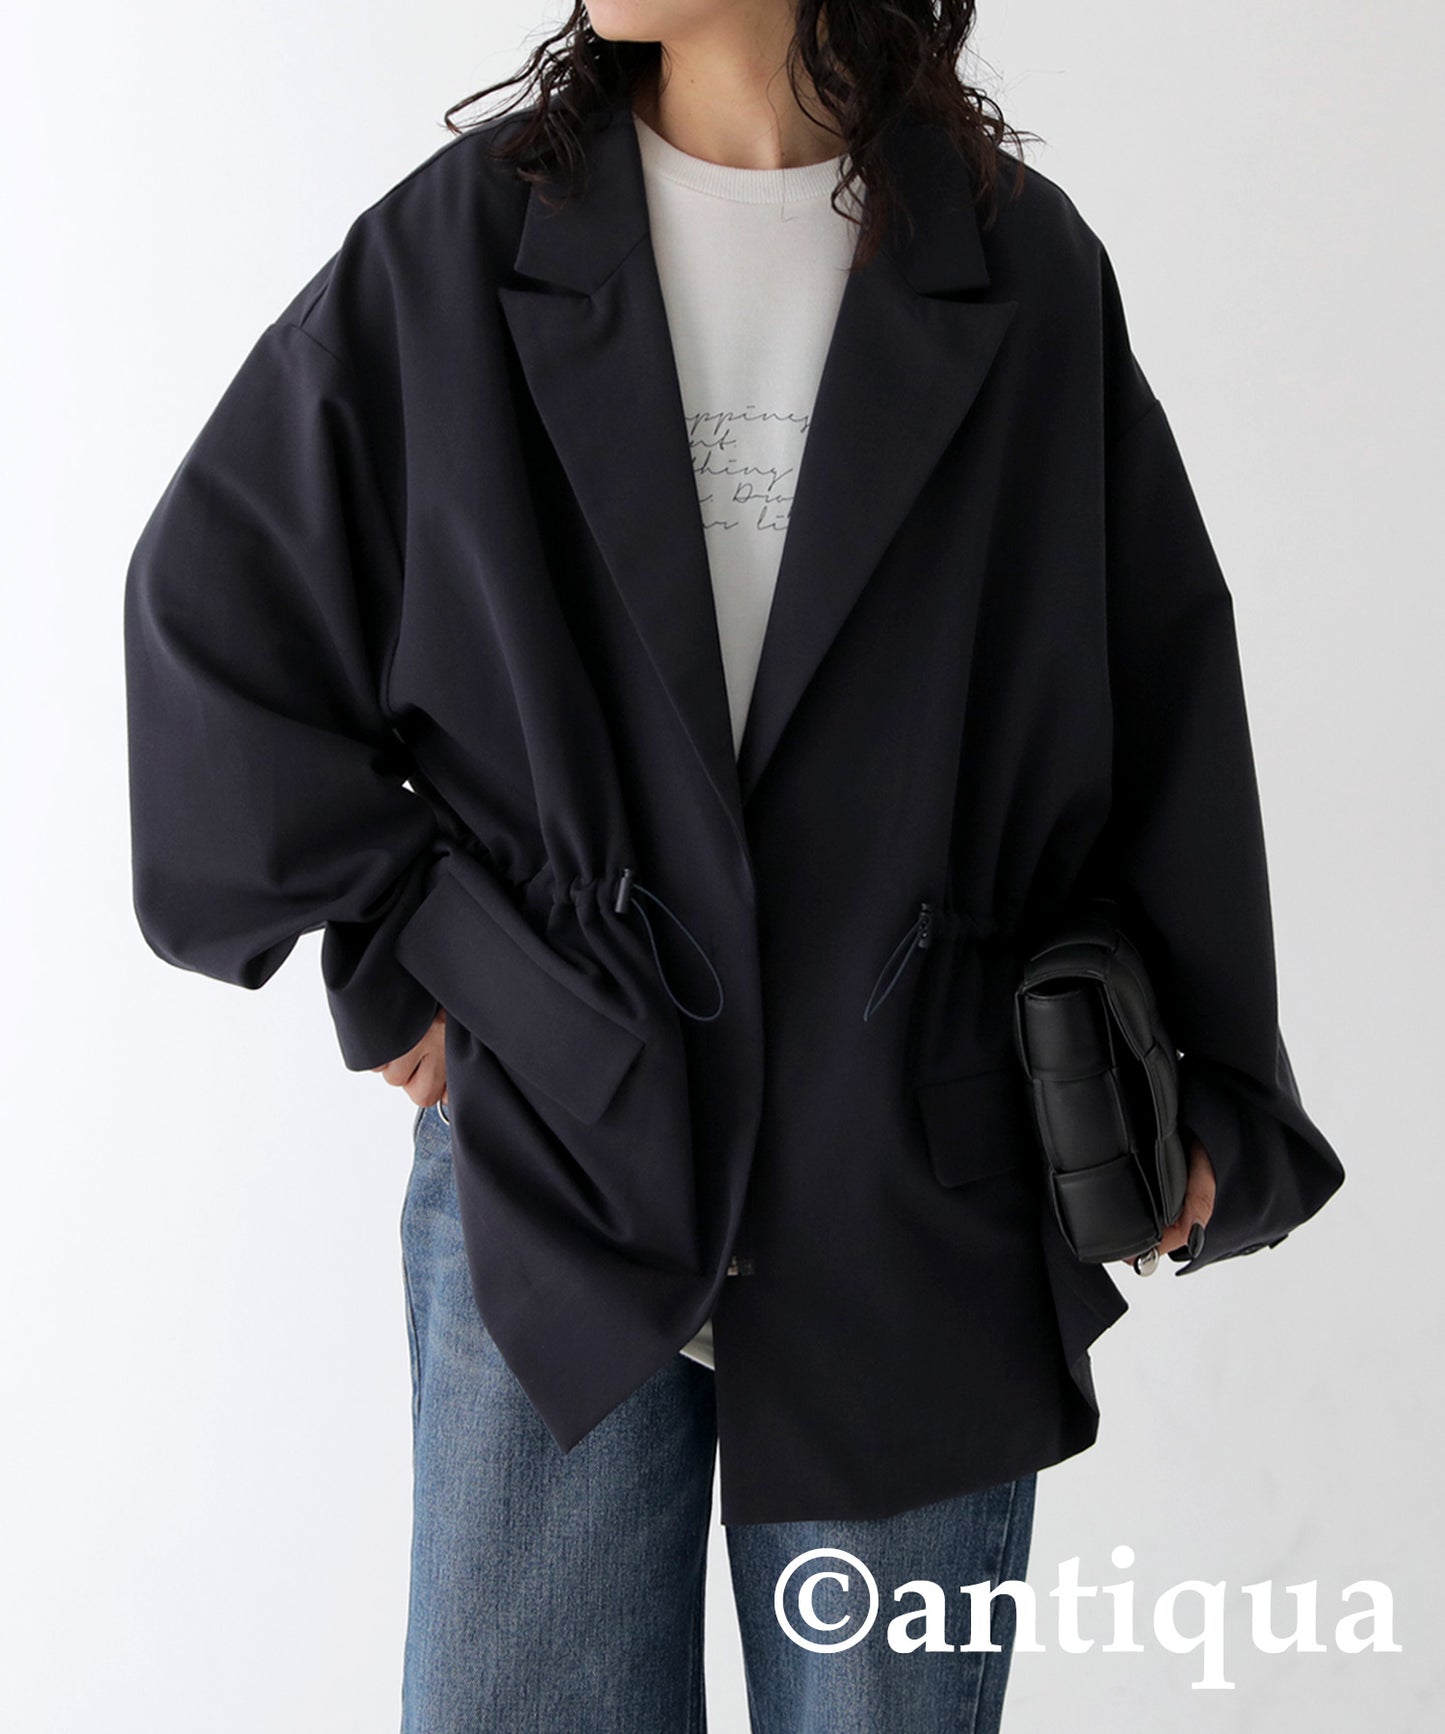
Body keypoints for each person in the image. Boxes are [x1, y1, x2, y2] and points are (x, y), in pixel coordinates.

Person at [123, 3, 1345, 1729]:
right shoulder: (460, 247)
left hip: (915, 1184)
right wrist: (414, 938)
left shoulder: (1019, 268)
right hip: (556, 1159)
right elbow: (213, 615)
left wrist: (1209, 1094)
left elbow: (1154, 681)